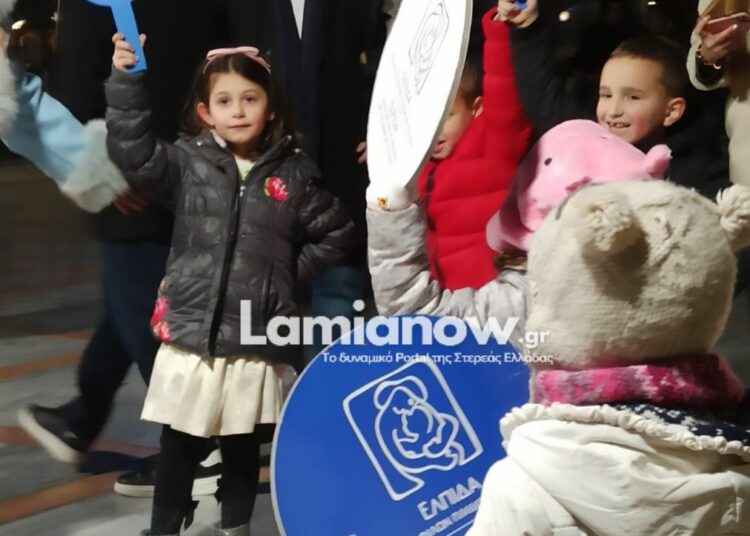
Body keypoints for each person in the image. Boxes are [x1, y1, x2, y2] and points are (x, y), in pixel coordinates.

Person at [106, 36, 355, 535]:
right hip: (193, 335)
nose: (237, 111)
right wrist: (126, 81)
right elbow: (134, 154)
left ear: (270, 106)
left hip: (253, 336)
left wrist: (279, 278)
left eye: (249, 98)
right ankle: (164, 526)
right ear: (205, 113)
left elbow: (338, 233)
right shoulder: (188, 163)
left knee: (242, 442)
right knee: (179, 440)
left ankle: (236, 527)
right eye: (224, 100)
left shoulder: (294, 175)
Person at [496, 0, 731, 200]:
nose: (613, 110)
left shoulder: (697, 171)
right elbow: (543, 98)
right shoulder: (590, 139)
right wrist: (526, 27)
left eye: (632, 97)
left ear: (671, 111)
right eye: (606, 95)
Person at [417, 9, 531, 290]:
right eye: (426, 119)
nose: (435, 130)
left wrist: (500, 29)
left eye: (447, 116)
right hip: (441, 300)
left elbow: (503, 86)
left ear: (476, 108)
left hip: (489, 300)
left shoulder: (494, 145)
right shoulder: (420, 163)